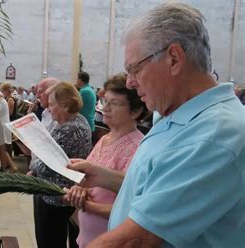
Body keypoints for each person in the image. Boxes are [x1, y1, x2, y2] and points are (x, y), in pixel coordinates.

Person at [68, 3, 245, 247]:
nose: (130, 82)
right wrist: (104, 177)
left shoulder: (215, 135)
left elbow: (136, 239)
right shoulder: (173, 113)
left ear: (174, 59)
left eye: (135, 69)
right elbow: (158, 187)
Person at [64, 73, 147, 247]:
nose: (105, 108)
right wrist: (80, 190)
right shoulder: (105, 138)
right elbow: (88, 180)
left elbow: (131, 208)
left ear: (136, 111)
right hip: (86, 238)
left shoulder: (137, 148)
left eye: (115, 103)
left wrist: (86, 205)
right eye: (104, 101)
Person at [31, 82, 91, 248]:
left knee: (49, 242)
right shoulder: (75, 121)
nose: (49, 109)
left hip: (56, 197)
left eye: (51, 105)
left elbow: (45, 165)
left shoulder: (70, 128)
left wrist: (34, 166)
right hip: (56, 193)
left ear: (65, 105)